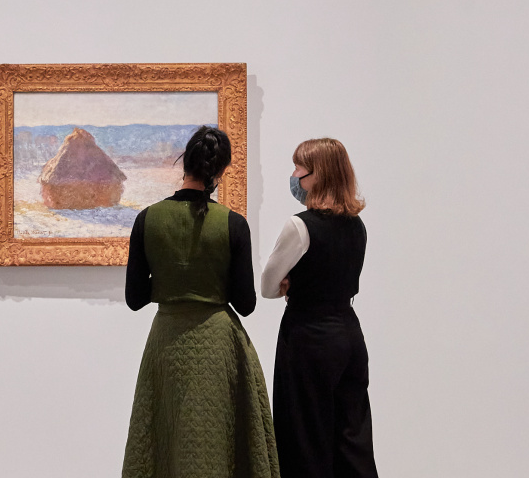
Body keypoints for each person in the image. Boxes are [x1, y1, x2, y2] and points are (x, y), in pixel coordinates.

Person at [122, 126, 280, 478]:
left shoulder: (147, 219)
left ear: (185, 164)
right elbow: (246, 303)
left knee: (165, 441)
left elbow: (135, 298)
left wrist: (172, 278)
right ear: (220, 171)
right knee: (216, 444)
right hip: (217, 347)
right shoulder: (233, 224)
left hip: (166, 343)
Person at [261, 138, 378, 478]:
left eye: (299, 168)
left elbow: (268, 285)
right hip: (349, 334)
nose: (294, 175)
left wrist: (291, 283)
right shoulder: (357, 226)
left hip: (308, 338)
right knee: (353, 438)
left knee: (305, 438)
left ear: (318, 175)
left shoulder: (300, 226)